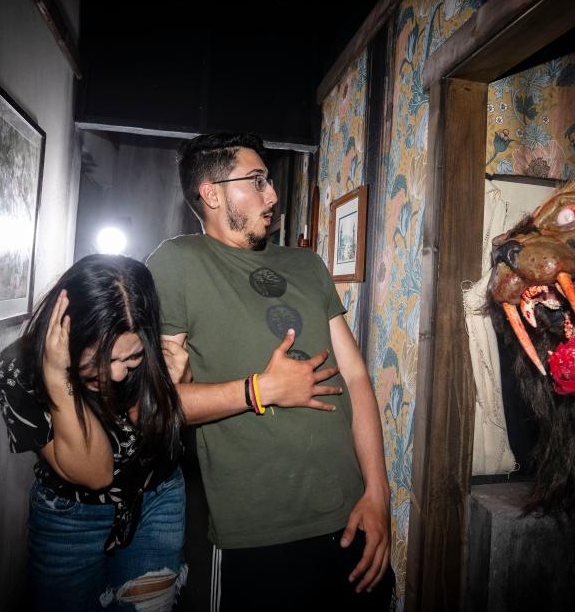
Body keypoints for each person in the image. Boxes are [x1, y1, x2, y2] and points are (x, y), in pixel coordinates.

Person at [147, 133, 394, 611]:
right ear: (212, 193)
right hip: (259, 536)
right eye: (256, 180)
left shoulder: (307, 264)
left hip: (353, 517)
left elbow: (357, 378)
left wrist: (378, 494)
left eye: (270, 180)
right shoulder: (177, 262)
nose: (273, 193)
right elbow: (158, 404)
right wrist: (261, 389)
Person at [0, 254, 190, 611]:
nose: (117, 374)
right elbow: (96, 473)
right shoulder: (19, 369)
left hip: (156, 498)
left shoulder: (150, 351)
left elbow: (158, 431)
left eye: (130, 358)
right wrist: (60, 379)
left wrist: (175, 384)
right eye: (99, 361)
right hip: (70, 517)